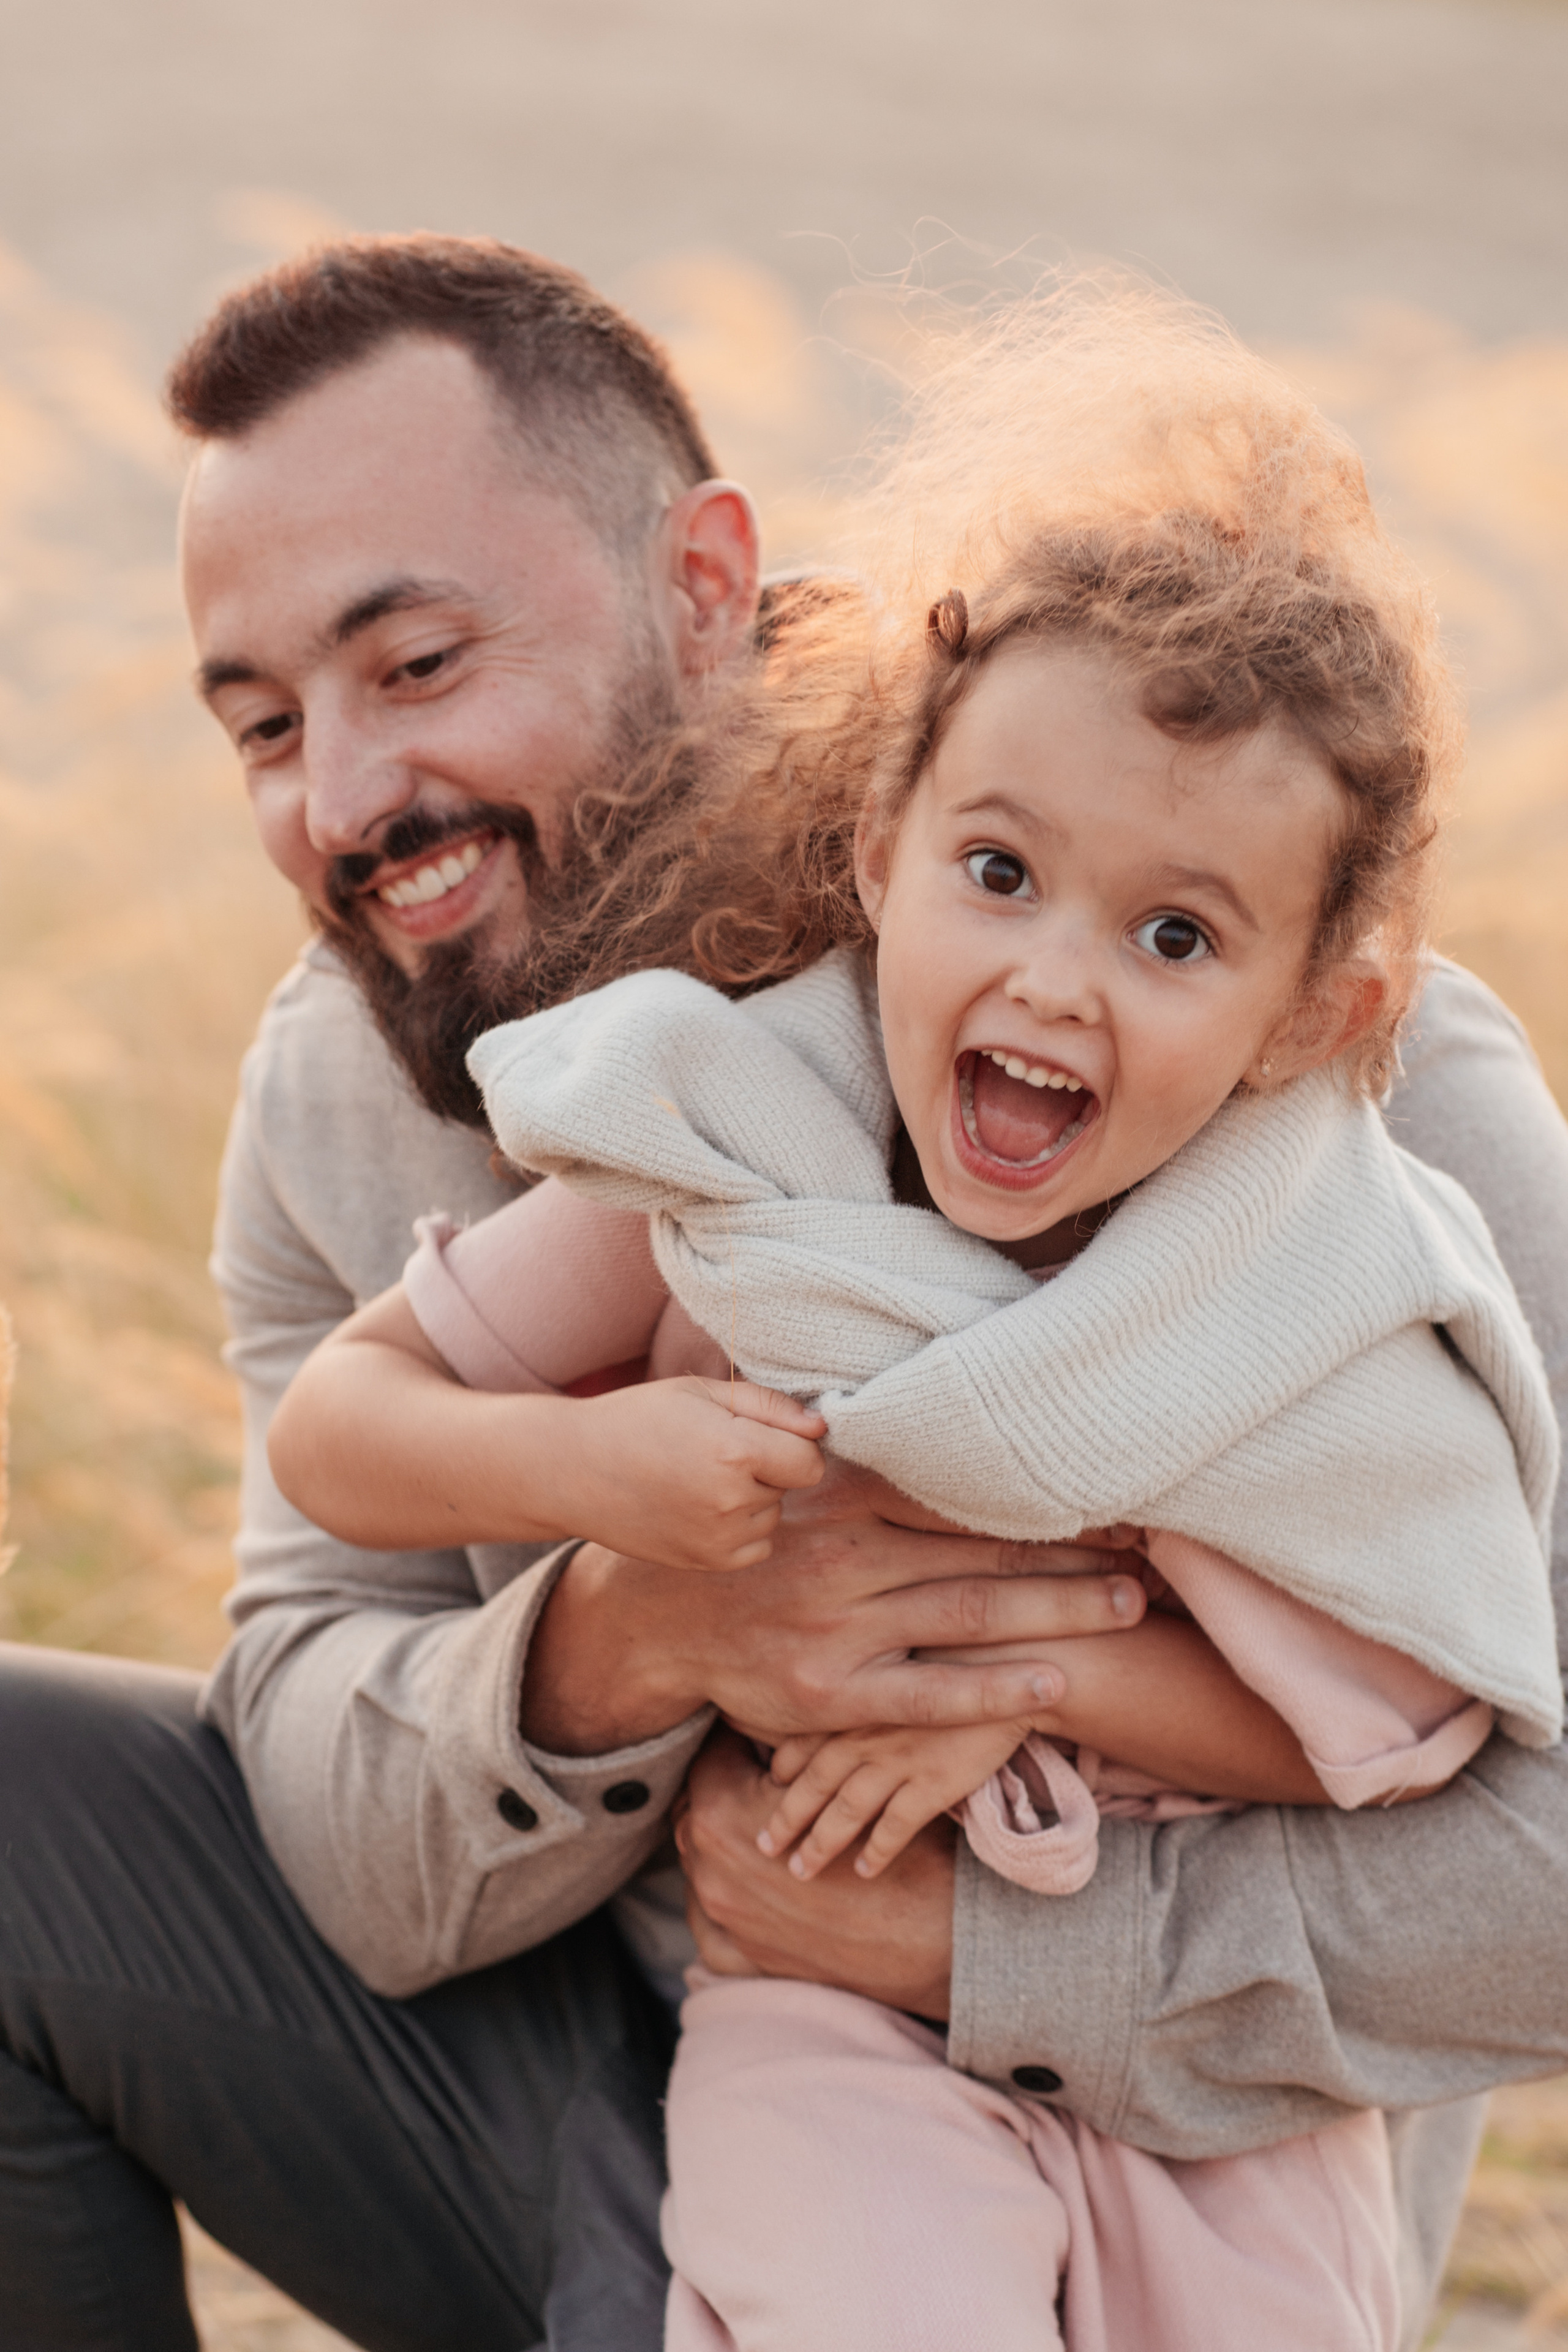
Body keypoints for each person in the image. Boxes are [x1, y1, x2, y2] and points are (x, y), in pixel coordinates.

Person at [0, 237, 1562, 2352]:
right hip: (629, 2106)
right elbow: (334, 1778)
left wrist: (975, 1947)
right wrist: (641, 1635)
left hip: (1164, 2167)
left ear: (705, 586)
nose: (346, 799)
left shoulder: (1337, 1094)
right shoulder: (348, 1094)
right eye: (267, 723)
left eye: (423, 663)